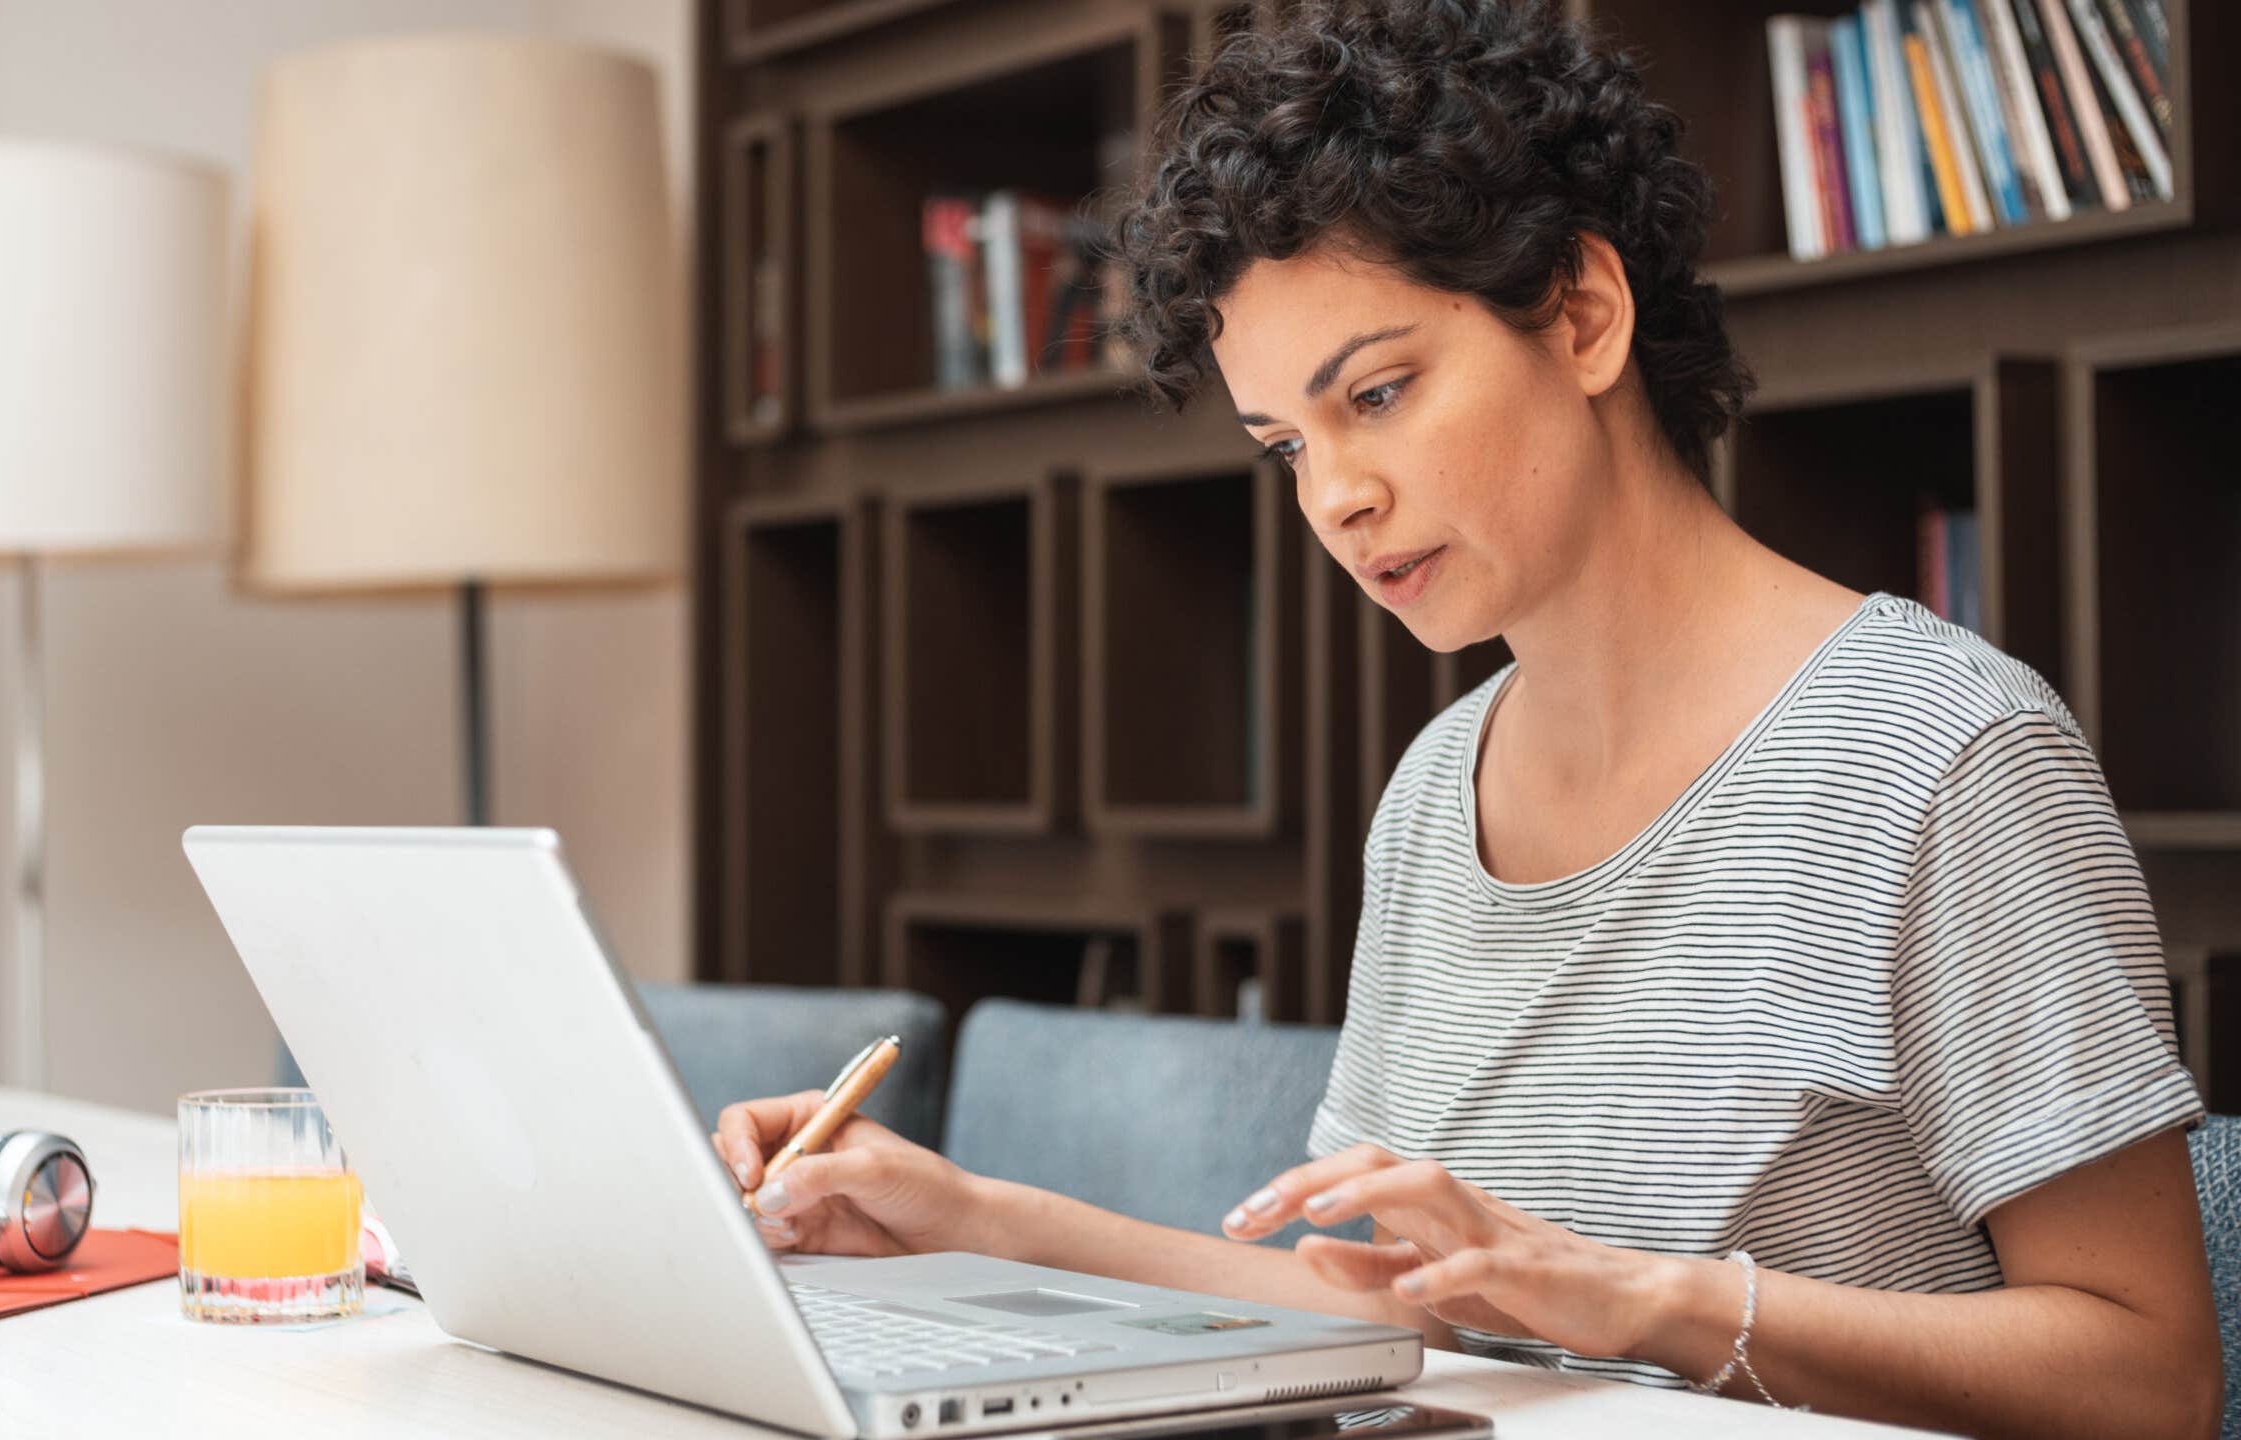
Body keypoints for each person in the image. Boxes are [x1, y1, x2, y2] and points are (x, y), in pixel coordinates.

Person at [716, 3, 2223, 1435]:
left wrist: (1655, 1303)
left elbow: (2152, 1382)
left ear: (1581, 315)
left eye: (1374, 395)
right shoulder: (1441, 787)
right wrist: (968, 1220)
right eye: (1284, 444)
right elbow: (1394, 1314)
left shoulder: (1938, 753)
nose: (1335, 497)